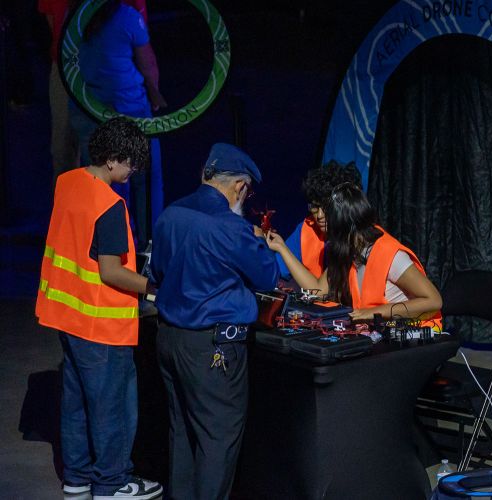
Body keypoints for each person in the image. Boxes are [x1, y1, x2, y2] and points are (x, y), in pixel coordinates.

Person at [35, 117, 162, 500]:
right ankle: (112, 483)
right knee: (113, 408)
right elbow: (111, 272)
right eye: (130, 163)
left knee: (75, 402)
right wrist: (153, 289)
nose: (132, 172)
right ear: (112, 159)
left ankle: (77, 478)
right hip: (101, 326)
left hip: (67, 317)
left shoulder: (67, 182)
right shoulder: (110, 206)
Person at [150, 143, 279, 499]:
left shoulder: (171, 214)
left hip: (169, 338)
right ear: (239, 186)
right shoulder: (230, 227)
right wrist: (257, 241)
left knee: (182, 432)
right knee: (218, 438)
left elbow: (157, 271)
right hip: (212, 348)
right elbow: (267, 277)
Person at [267, 182, 443, 324]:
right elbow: (318, 291)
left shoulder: (389, 254)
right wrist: (282, 247)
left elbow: (434, 301)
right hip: (376, 334)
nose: (320, 219)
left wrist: (373, 312)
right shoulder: (347, 251)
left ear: (345, 224)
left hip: (411, 338)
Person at [69, 0, 166, 251]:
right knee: (146, 179)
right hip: (130, 111)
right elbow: (147, 63)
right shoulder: (127, 16)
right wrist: (155, 95)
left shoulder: (76, 16)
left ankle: (109, 249)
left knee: (103, 185)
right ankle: (149, 248)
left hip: (88, 108)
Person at [37, 0, 148, 179]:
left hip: (103, 72)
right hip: (71, 68)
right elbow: (53, 21)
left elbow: (138, 31)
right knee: (66, 147)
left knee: (110, 156)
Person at [276, 160, 362, 280]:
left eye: (326, 207)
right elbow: (276, 270)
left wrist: (282, 248)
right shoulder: (307, 228)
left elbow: (320, 288)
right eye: (315, 207)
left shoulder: (361, 237)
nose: (319, 215)